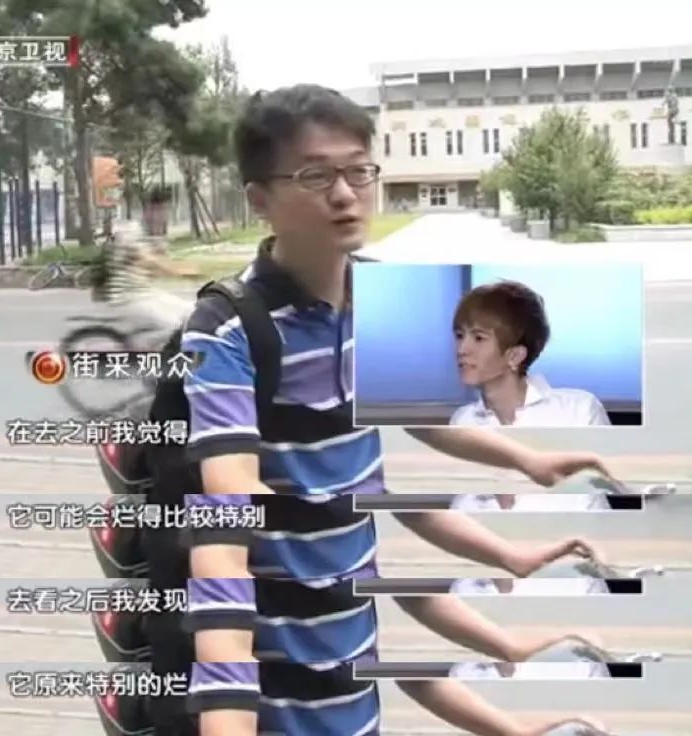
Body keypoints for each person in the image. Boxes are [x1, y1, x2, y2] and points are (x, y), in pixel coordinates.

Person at [180, 84, 616, 736]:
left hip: (352, 672)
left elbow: (422, 431)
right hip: (274, 682)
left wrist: (527, 461)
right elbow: (225, 521)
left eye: (359, 171)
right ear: (259, 199)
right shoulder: (228, 328)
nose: (345, 194)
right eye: (315, 175)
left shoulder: (378, 296)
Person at [449, 281, 611, 427]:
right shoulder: (462, 422)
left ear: (515, 356)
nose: (461, 349)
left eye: (479, 338)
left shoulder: (579, 413)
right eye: (459, 336)